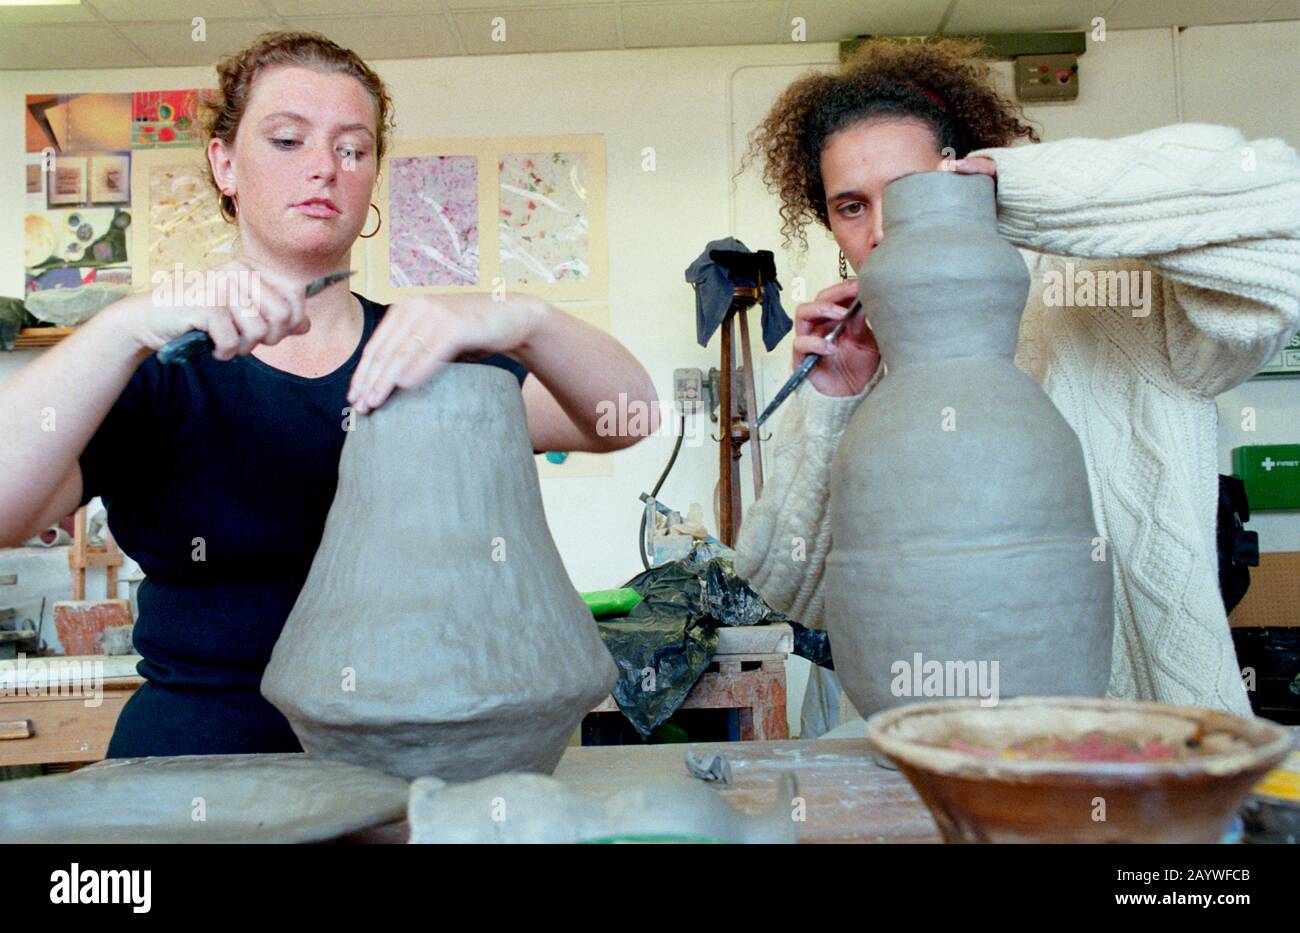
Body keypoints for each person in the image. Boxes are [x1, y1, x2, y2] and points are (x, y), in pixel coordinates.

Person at [0, 32, 659, 757]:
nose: (324, 168)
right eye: (287, 140)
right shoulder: (161, 370)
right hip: (197, 770)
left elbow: (624, 417)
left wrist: (530, 321)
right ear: (225, 163)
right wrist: (125, 325)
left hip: (406, 763)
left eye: (353, 148)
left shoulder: (421, 353)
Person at [733, 37, 1300, 737]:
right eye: (852, 207)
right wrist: (832, 402)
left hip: (1142, 759)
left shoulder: (1118, 300)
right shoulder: (865, 362)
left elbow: (1281, 207)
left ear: (970, 178)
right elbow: (789, 587)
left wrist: (1020, 187)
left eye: (915, 190)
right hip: (929, 772)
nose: (883, 230)